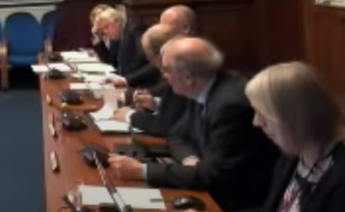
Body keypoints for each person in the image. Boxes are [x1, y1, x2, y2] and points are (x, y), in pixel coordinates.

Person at [108, 37, 279, 211]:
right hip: (207, 186)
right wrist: (189, 159)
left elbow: (212, 176)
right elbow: (176, 134)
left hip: (234, 201)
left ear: (187, 77)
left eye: (166, 70)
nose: (163, 76)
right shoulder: (203, 85)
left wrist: (141, 171)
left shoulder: (229, 105)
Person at [233, 62, 345, 212]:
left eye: (262, 113)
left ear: (294, 117)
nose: (256, 122)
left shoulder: (339, 176)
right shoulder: (296, 150)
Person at [111, 23, 190, 137]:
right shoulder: (178, 70)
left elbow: (167, 126)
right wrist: (155, 104)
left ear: (161, 55)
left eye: (149, 57)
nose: (152, 64)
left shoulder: (181, 75)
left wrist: (129, 115)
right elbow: (178, 112)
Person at [92, 7, 151, 85]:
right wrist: (98, 39)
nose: (105, 32)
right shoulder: (117, 36)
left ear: (116, 22)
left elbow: (144, 63)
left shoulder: (134, 31)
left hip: (139, 84)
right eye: (103, 30)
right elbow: (111, 62)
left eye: (106, 27)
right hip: (124, 81)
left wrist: (125, 79)